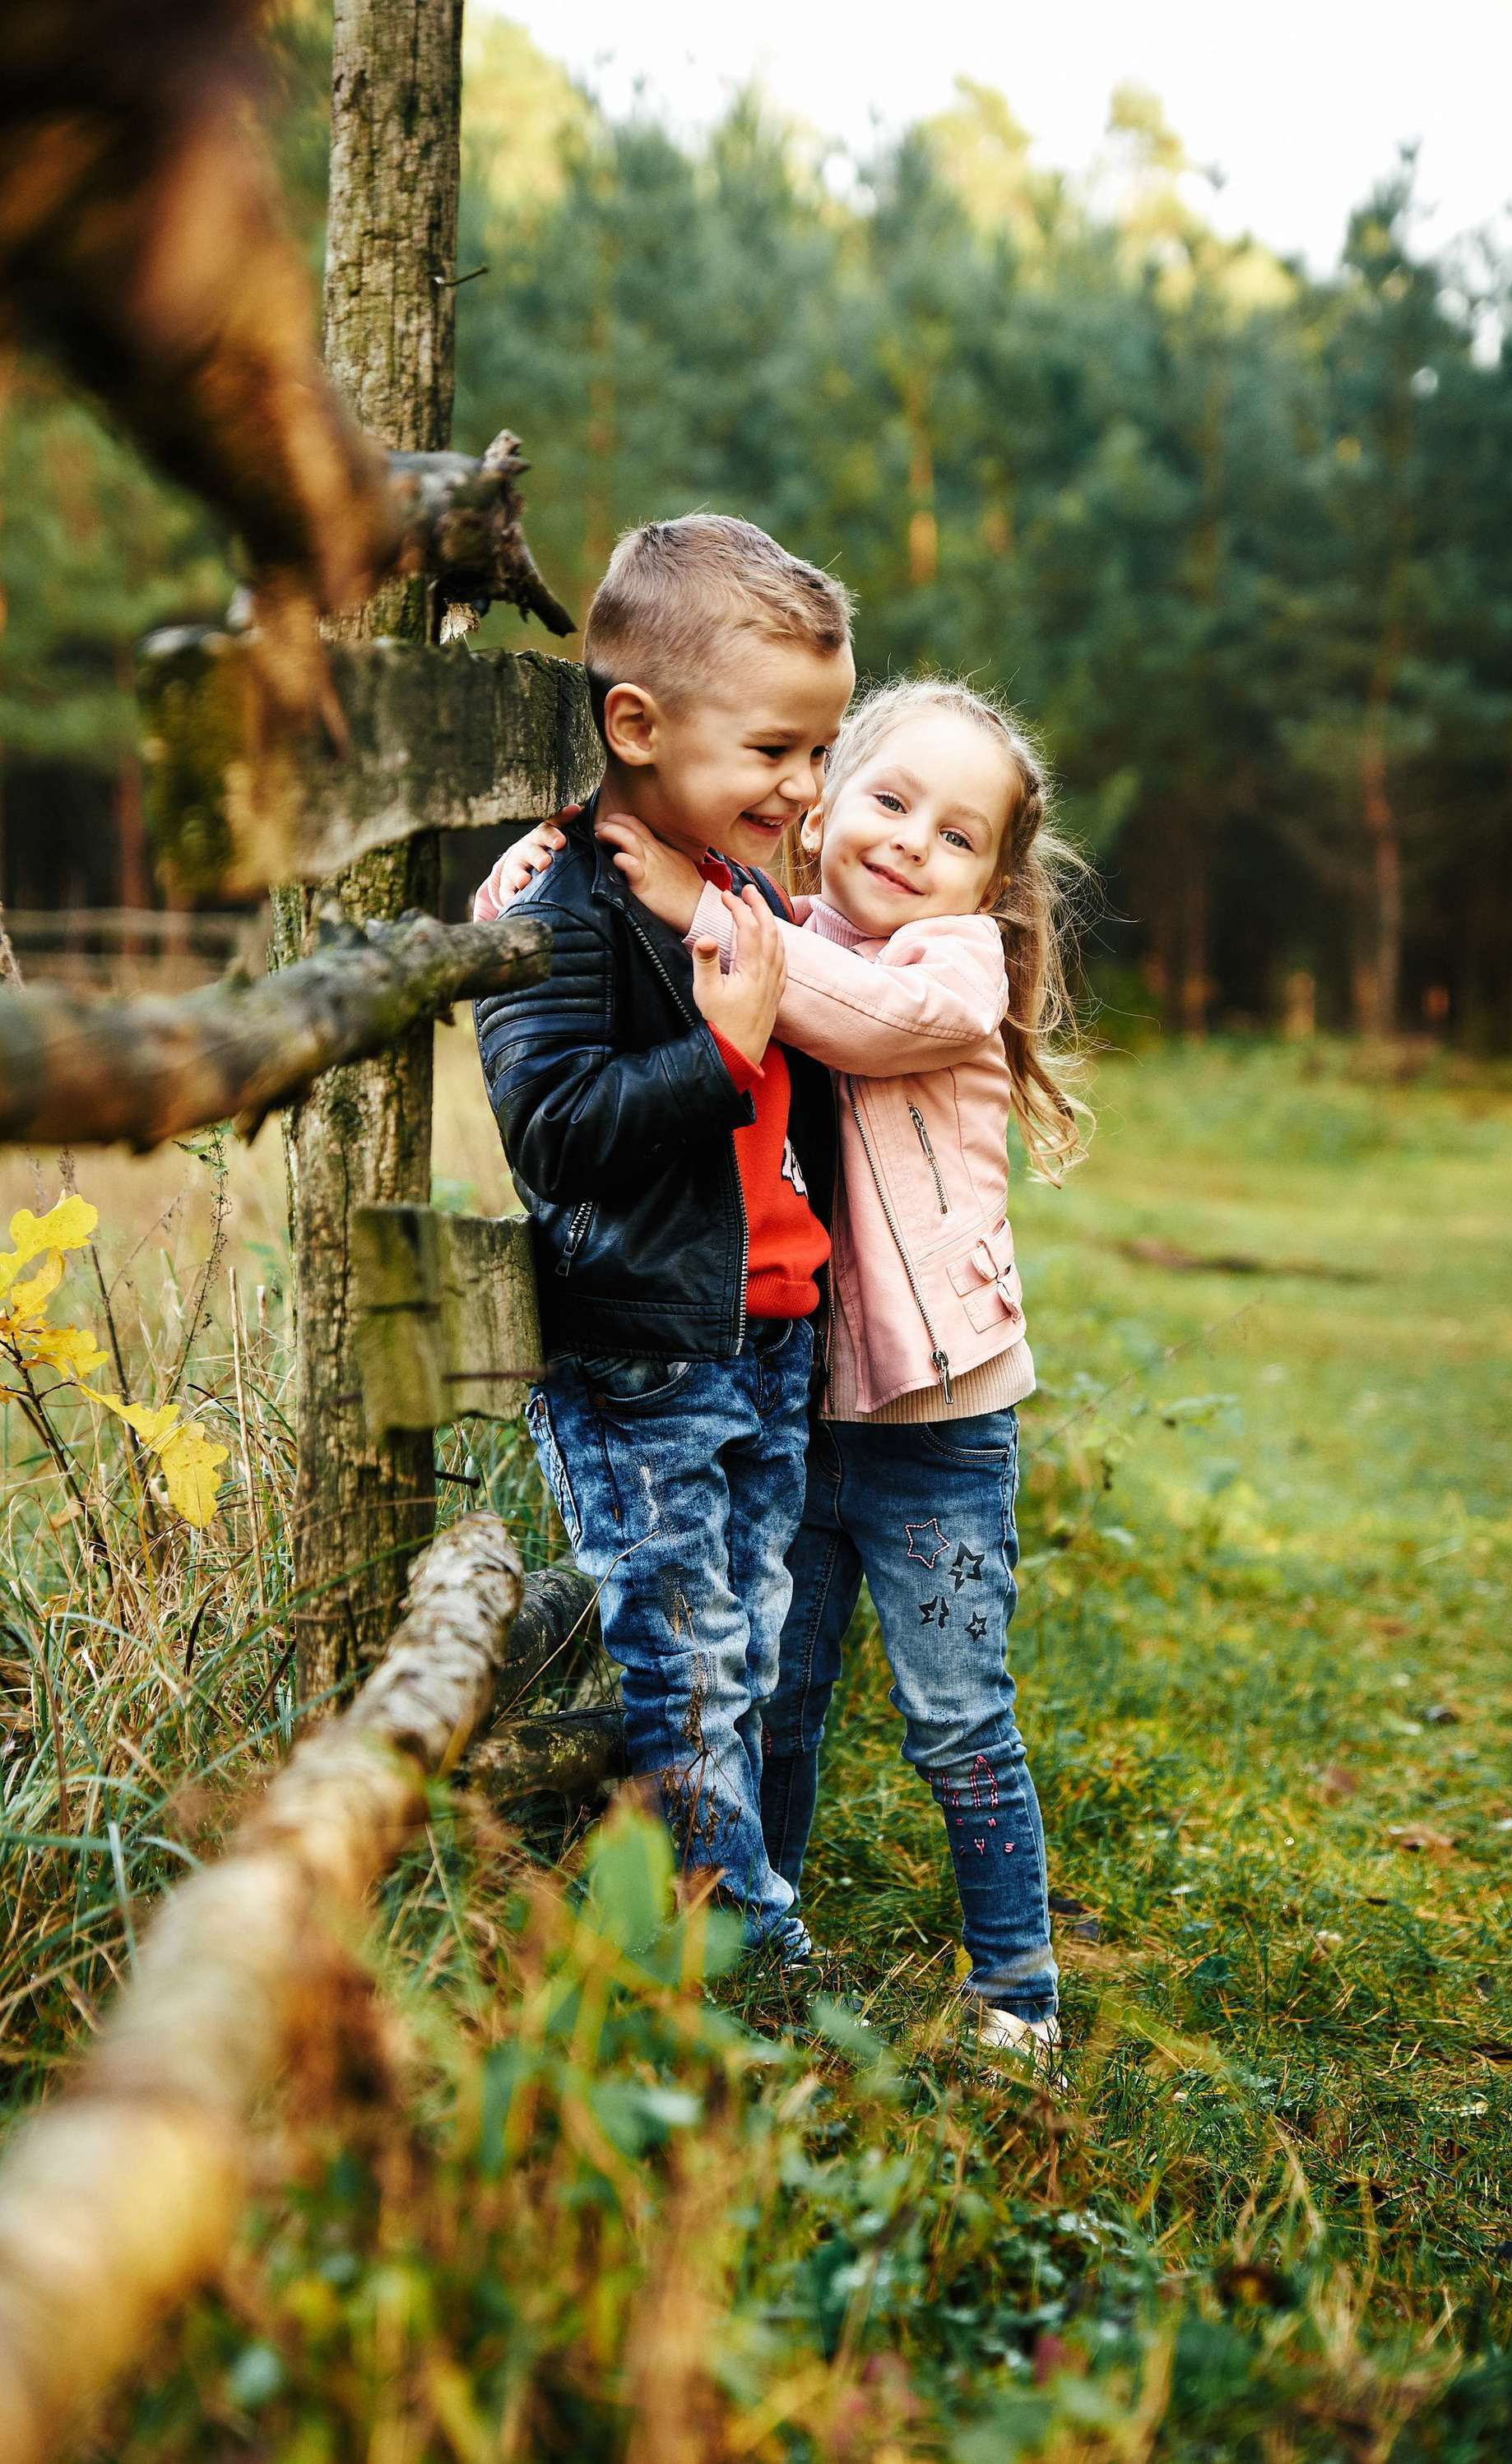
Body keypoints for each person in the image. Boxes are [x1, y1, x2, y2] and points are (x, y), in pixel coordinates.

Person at [480, 679, 1083, 2068]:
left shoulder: (948, 974)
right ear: (824, 809)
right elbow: (673, 945)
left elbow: (842, 1014)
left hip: (939, 1430)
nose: (912, 843)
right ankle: (760, 1940)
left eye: (958, 836)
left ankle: (1019, 1991)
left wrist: (696, 902)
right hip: (806, 1400)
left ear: (992, 884)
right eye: (885, 799)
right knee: (778, 1682)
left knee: (956, 1714)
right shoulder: (786, 928)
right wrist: (541, 881)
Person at [472, 513, 854, 1961]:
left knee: (744, 1643)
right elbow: (555, 1129)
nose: (806, 787)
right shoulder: (557, 902)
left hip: (764, 1336)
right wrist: (720, 1049)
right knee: (683, 1658)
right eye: (775, 752)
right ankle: (740, 1953)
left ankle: (674, 1911)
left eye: (820, 751)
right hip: (643, 1353)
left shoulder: (741, 890)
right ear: (635, 722)